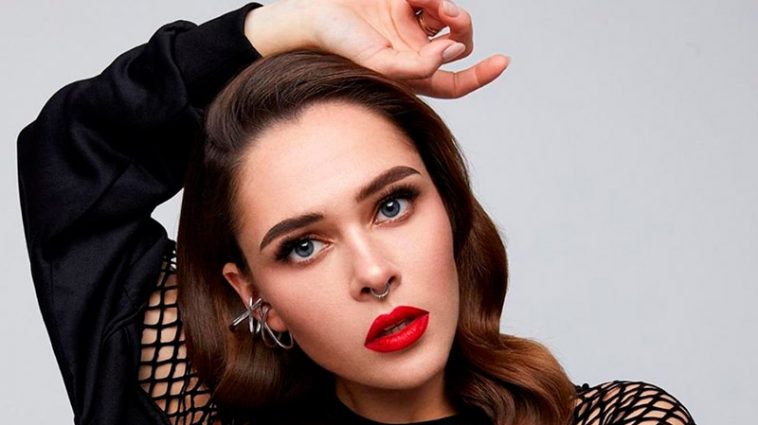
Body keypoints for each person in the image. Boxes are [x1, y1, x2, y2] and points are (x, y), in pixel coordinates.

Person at [17, 1, 695, 425]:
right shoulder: (196, 406)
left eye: (392, 205)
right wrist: (288, 25)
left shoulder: (619, 419)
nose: (373, 273)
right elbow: (70, 159)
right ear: (255, 296)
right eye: (302, 246)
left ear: (449, 206)